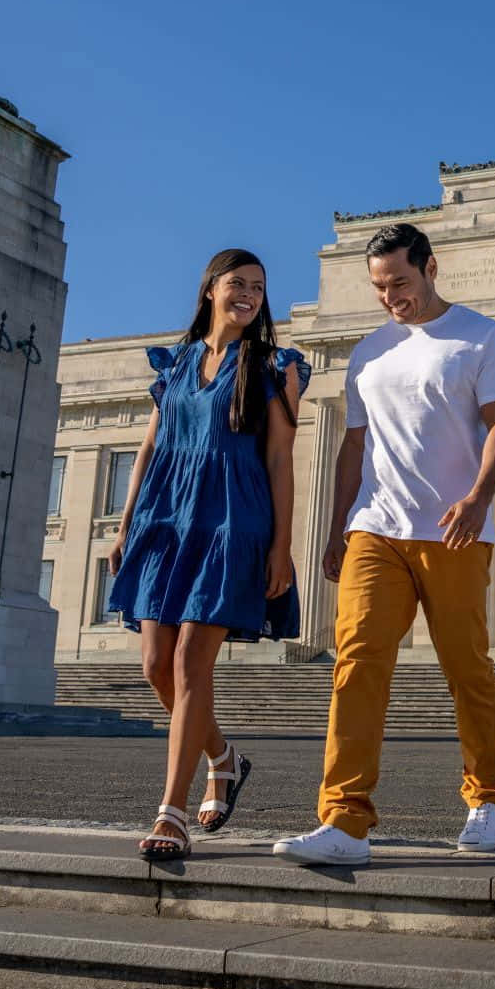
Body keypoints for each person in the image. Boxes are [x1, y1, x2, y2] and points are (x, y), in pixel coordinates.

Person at [274, 223, 495, 865]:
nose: (391, 297)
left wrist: (477, 498)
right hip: (375, 527)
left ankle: (486, 794)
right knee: (355, 661)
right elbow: (353, 446)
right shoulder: (368, 353)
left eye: (401, 282)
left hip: (453, 530)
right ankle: (345, 820)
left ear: (431, 267)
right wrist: (336, 528)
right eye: (380, 287)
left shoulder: (479, 336)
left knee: (465, 666)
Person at [106, 249, 307, 861]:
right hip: (165, 522)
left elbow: (278, 459)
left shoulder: (274, 367)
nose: (248, 294)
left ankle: (170, 813)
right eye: (237, 283)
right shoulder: (175, 365)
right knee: (154, 666)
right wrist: (124, 526)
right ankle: (223, 757)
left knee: (193, 663)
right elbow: (148, 450)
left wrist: (281, 546)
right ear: (210, 290)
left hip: (231, 521)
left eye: (258, 287)